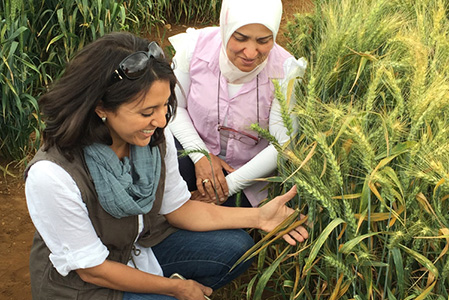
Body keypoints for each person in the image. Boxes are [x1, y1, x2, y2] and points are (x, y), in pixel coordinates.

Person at [24, 32, 308, 300]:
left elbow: (178, 208)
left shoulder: (154, 138)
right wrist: (176, 288)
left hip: (140, 247)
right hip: (86, 286)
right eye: (147, 112)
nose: (161, 121)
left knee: (236, 248)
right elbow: (92, 268)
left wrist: (259, 217)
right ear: (101, 108)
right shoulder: (52, 175)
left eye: (164, 107)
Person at [168, 0, 307, 207]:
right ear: (225, 27)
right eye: (240, 38)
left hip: (248, 176)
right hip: (191, 150)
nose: (250, 53)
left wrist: (227, 187)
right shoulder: (194, 48)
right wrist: (201, 155)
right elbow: (174, 107)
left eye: (264, 40)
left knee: (223, 233)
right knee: (162, 184)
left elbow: (281, 143)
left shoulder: (285, 70)